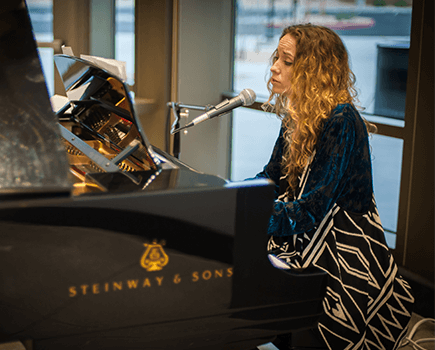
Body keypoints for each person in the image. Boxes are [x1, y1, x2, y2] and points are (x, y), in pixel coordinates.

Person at [254, 24, 414, 350]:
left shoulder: (342, 121)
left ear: (312, 71)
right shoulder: (297, 115)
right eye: (276, 58)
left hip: (341, 257)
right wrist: (229, 195)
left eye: (286, 60)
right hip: (307, 242)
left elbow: (312, 209)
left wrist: (247, 214)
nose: (274, 67)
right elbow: (271, 177)